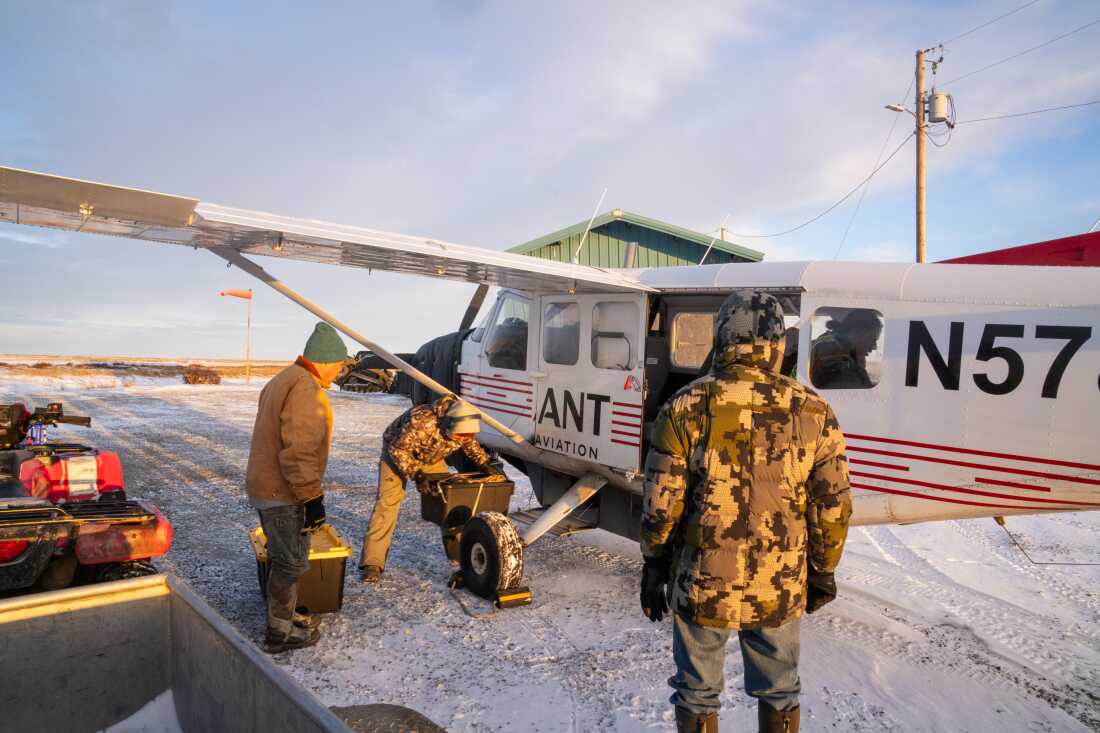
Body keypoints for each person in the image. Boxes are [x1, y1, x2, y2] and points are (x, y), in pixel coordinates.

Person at [640, 291, 852, 733]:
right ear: (777, 343)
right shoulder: (814, 411)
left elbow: (661, 502)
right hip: (778, 583)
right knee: (780, 689)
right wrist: (823, 570)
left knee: (697, 691)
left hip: (701, 581)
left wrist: (655, 564)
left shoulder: (685, 406)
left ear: (721, 338)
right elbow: (832, 506)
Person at [245, 322, 348, 654]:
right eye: (341, 363)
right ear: (327, 360)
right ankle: (279, 633)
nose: (342, 370)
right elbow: (299, 450)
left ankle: (285, 617)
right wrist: (311, 497)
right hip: (283, 491)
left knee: (283, 556)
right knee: (291, 562)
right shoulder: (305, 387)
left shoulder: (284, 378)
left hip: (269, 485)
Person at [359, 394, 492, 582]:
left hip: (431, 457)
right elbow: (397, 449)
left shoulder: (464, 423)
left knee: (450, 501)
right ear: (447, 423)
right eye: (460, 436)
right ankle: (372, 563)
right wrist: (418, 475)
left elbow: (469, 443)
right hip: (397, 453)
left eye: (467, 436)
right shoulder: (421, 420)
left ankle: (458, 554)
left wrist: (485, 464)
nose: (463, 439)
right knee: (387, 504)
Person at [809, 310, 883, 389]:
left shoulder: (846, 351)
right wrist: (859, 365)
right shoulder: (829, 348)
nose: (874, 347)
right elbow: (851, 389)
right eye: (872, 339)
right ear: (857, 332)